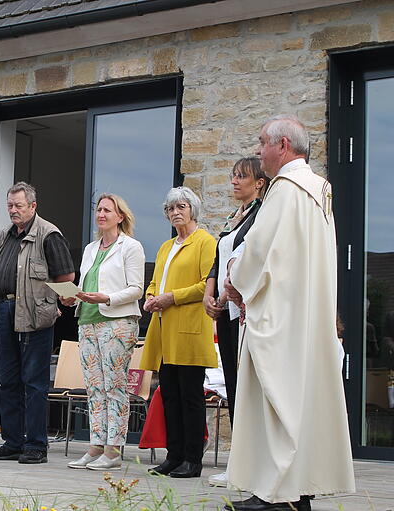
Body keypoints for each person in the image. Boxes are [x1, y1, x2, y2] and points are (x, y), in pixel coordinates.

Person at [223, 116, 355, 510]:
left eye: (262, 143)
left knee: (273, 400)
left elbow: (260, 252)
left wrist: (234, 276)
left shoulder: (284, 190)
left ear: (282, 145)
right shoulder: (320, 191)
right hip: (308, 316)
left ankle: (276, 493)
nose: (259, 151)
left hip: (278, 317)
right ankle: (299, 488)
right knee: (302, 399)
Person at [0, 181, 75, 464]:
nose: (13, 210)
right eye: (10, 205)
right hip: (5, 310)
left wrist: (60, 305)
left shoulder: (49, 234)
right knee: (7, 380)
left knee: (33, 382)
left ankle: (36, 445)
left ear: (33, 206)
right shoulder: (4, 236)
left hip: (36, 314)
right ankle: (12, 442)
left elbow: (66, 277)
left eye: (18, 205)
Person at [60, 194, 145, 471]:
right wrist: (73, 297)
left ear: (120, 216)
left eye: (107, 210)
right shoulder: (89, 249)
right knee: (95, 387)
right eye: (98, 209)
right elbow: (86, 284)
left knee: (114, 386)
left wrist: (106, 298)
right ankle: (95, 447)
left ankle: (113, 451)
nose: (101, 214)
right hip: (87, 321)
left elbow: (136, 289)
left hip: (118, 322)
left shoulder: (130, 247)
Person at [139, 186, 217, 478]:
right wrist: (150, 295)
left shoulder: (205, 242)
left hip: (188, 331)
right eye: (171, 209)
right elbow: (155, 281)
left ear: (192, 210)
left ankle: (192, 460)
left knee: (190, 397)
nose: (175, 213)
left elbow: (205, 285)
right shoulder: (165, 247)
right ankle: (173, 456)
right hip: (163, 331)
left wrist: (171, 297)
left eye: (181, 207)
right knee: (168, 395)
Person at [202, 157, 270, 487]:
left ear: (259, 182)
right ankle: (238, 462)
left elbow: (252, 258)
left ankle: (250, 464)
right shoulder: (234, 217)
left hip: (246, 313)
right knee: (233, 384)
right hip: (226, 313)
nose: (233, 181)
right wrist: (209, 291)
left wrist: (231, 292)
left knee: (247, 387)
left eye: (241, 176)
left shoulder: (262, 214)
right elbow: (220, 258)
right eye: (232, 176)